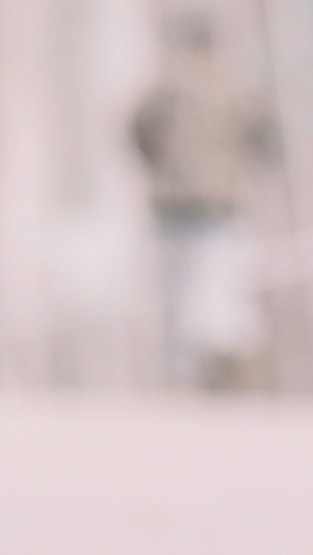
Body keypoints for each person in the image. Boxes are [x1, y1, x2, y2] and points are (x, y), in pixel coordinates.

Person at [134, 11, 273, 389]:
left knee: (178, 293)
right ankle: (221, 365)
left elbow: (137, 128)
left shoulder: (166, 84)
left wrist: (162, 165)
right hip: (220, 203)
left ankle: (185, 375)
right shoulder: (234, 86)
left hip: (174, 202)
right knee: (220, 289)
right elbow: (263, 135)